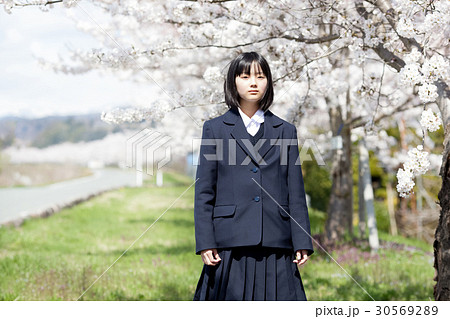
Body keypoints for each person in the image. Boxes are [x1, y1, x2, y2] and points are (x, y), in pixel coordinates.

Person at [193, 51, 314, 301]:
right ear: (233, 82)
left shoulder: (285, 130)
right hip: (229, 244)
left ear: (268, 82)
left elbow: (295, 190)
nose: (253, 82)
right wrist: (206, 242)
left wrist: (302, 239)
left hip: (276, 242)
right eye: (245, 75)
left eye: (260, 76)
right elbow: (204, 191)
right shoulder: (214, 129)